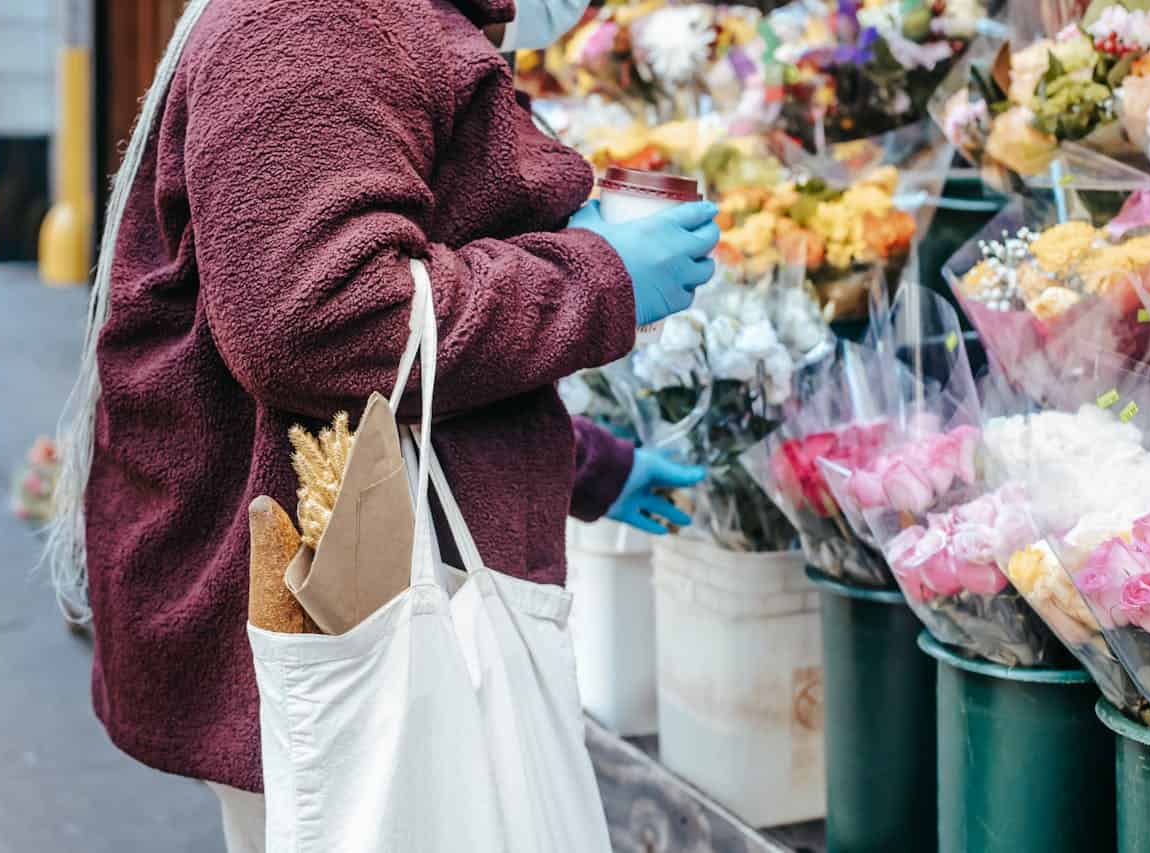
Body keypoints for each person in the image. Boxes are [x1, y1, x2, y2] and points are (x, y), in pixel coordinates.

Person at [45, 0, 720, 848]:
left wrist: (587, 465)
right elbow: (319, 323)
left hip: (374, 585)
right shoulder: (317, 22)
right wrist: (595, 277)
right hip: (351, 612)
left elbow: (393, 357)